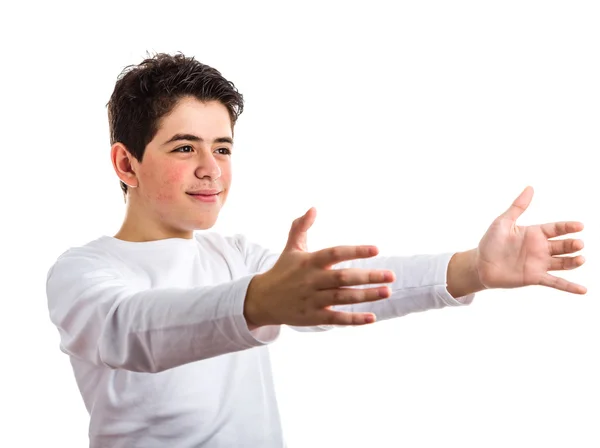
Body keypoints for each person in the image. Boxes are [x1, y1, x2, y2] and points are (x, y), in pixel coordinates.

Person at [46, 52, 587, 448]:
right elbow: (131, 330)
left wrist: (473, 268)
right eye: (185, 147)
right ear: (126, 164)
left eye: (223, 148)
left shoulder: (236, 257)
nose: (211, 168)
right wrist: (257, 303)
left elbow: (347, 282)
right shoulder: (86, 271)